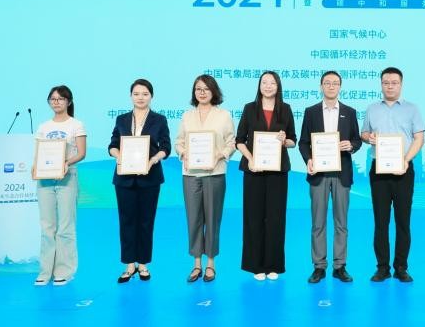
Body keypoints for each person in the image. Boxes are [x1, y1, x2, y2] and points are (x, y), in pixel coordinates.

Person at [361, 66, 425, 283]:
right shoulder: (372, 109)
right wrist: (368, 137)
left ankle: (401, 267)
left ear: (401, 84)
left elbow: (418, 138)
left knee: (403, 221)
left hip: (403, 170)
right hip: (379, 170)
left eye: (394, 82)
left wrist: (406, 160)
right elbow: (364, 133)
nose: (390, 86)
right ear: (381, 84)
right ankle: (382, 268)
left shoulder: (412, 109)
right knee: (381, 221)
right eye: (386, 82)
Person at [299, 71, 361, 283]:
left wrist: (351, 145)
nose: (331, 86)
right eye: (327, 83)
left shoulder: (350, 112)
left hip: (342, 174)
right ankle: (319, 266)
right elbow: (303, 142)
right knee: (318, 222)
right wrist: (308, 159)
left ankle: (340, 266)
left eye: (335, 83)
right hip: (319, 174)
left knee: (341, 222)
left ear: (340, 87)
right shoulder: (311, 112)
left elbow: (357, 140)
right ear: (321, 86)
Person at [174, 74, 237, 284]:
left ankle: (210, 263)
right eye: (198, 89)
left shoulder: (224, 116)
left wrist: (220, 155)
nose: (202, 92)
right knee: (193, 219)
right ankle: (196, 263)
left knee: (212, 218)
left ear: (213, 91)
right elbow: (179, 142)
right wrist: (184, 153)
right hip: (191, 174)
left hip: (214, 173)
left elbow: (231, 142)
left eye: (206, 89)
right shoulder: (187, 116)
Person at [236, 70, 297, 280]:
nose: (268, 86)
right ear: (259, 85)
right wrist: (250, 159)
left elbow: (293, 140)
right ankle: (256, 265)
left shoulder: (285, 109)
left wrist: (284, 140)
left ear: (278, 86)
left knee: (275, 218)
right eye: (264, 82)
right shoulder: (249, 108)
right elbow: (239, 140)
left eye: (272, 83)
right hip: (254, 170)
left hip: (277, 172)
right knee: (253, 217)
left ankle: (273, 265)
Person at [108, 78, 170, 284]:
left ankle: (143, 264)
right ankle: (129, 264)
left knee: (146, 221)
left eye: (145, 94)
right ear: (130, 96)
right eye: (136, 94)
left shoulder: (159, 120)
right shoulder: (122, 119)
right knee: (126, 221)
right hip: (124, 178)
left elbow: (166, 147)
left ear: (151, 96)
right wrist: (119, 156)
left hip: (150, 177)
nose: (140, 97)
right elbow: (113, 144)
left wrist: (153, 159)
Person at [33, 85, 87, 286]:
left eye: (60, 99)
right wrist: (35, 167)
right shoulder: (43, 127)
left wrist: (66, 163)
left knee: (65, 226)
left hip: (67, 178)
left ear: (68, 102)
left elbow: (81, 153)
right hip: (45, 180)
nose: (56, 102)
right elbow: (39, 153)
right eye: (53, 99)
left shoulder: (76, 125)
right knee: (47, 226)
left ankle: (64, 271)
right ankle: (45, 271)